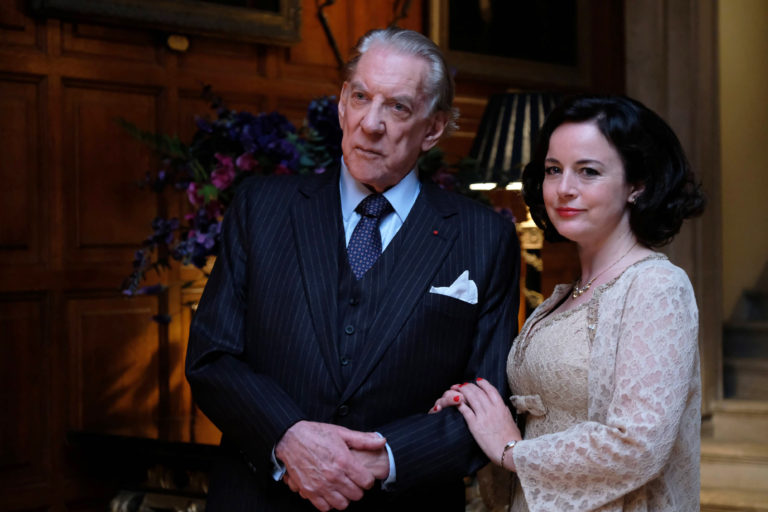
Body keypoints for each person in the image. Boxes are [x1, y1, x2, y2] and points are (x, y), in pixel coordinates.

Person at [185, 27, 520, 512]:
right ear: (342, 103)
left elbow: (487, 400)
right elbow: (212, 356)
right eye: (361, 97)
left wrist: (386, 457)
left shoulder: (485, 237)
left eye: (398, 107)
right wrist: (287, 436)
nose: (371, 123)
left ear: (433, 129)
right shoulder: (261, 208)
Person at [432, 95, 705, 511]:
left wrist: (511, 451)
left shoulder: (656, 286)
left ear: (637, 184)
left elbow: (638, 444)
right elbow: (535, 415)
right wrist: (473, 407)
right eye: (553, 170)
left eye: (588, 171)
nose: (564, 189)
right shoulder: (562, 297)